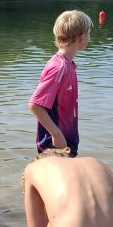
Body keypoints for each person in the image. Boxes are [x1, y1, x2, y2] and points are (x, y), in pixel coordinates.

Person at [28, 10, 92, 156]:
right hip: (56, 144)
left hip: (67, 138)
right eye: (89, 33)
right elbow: (35, 105)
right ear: (82, 37)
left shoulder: (68, 65)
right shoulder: (59, 67)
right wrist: (57, 135)